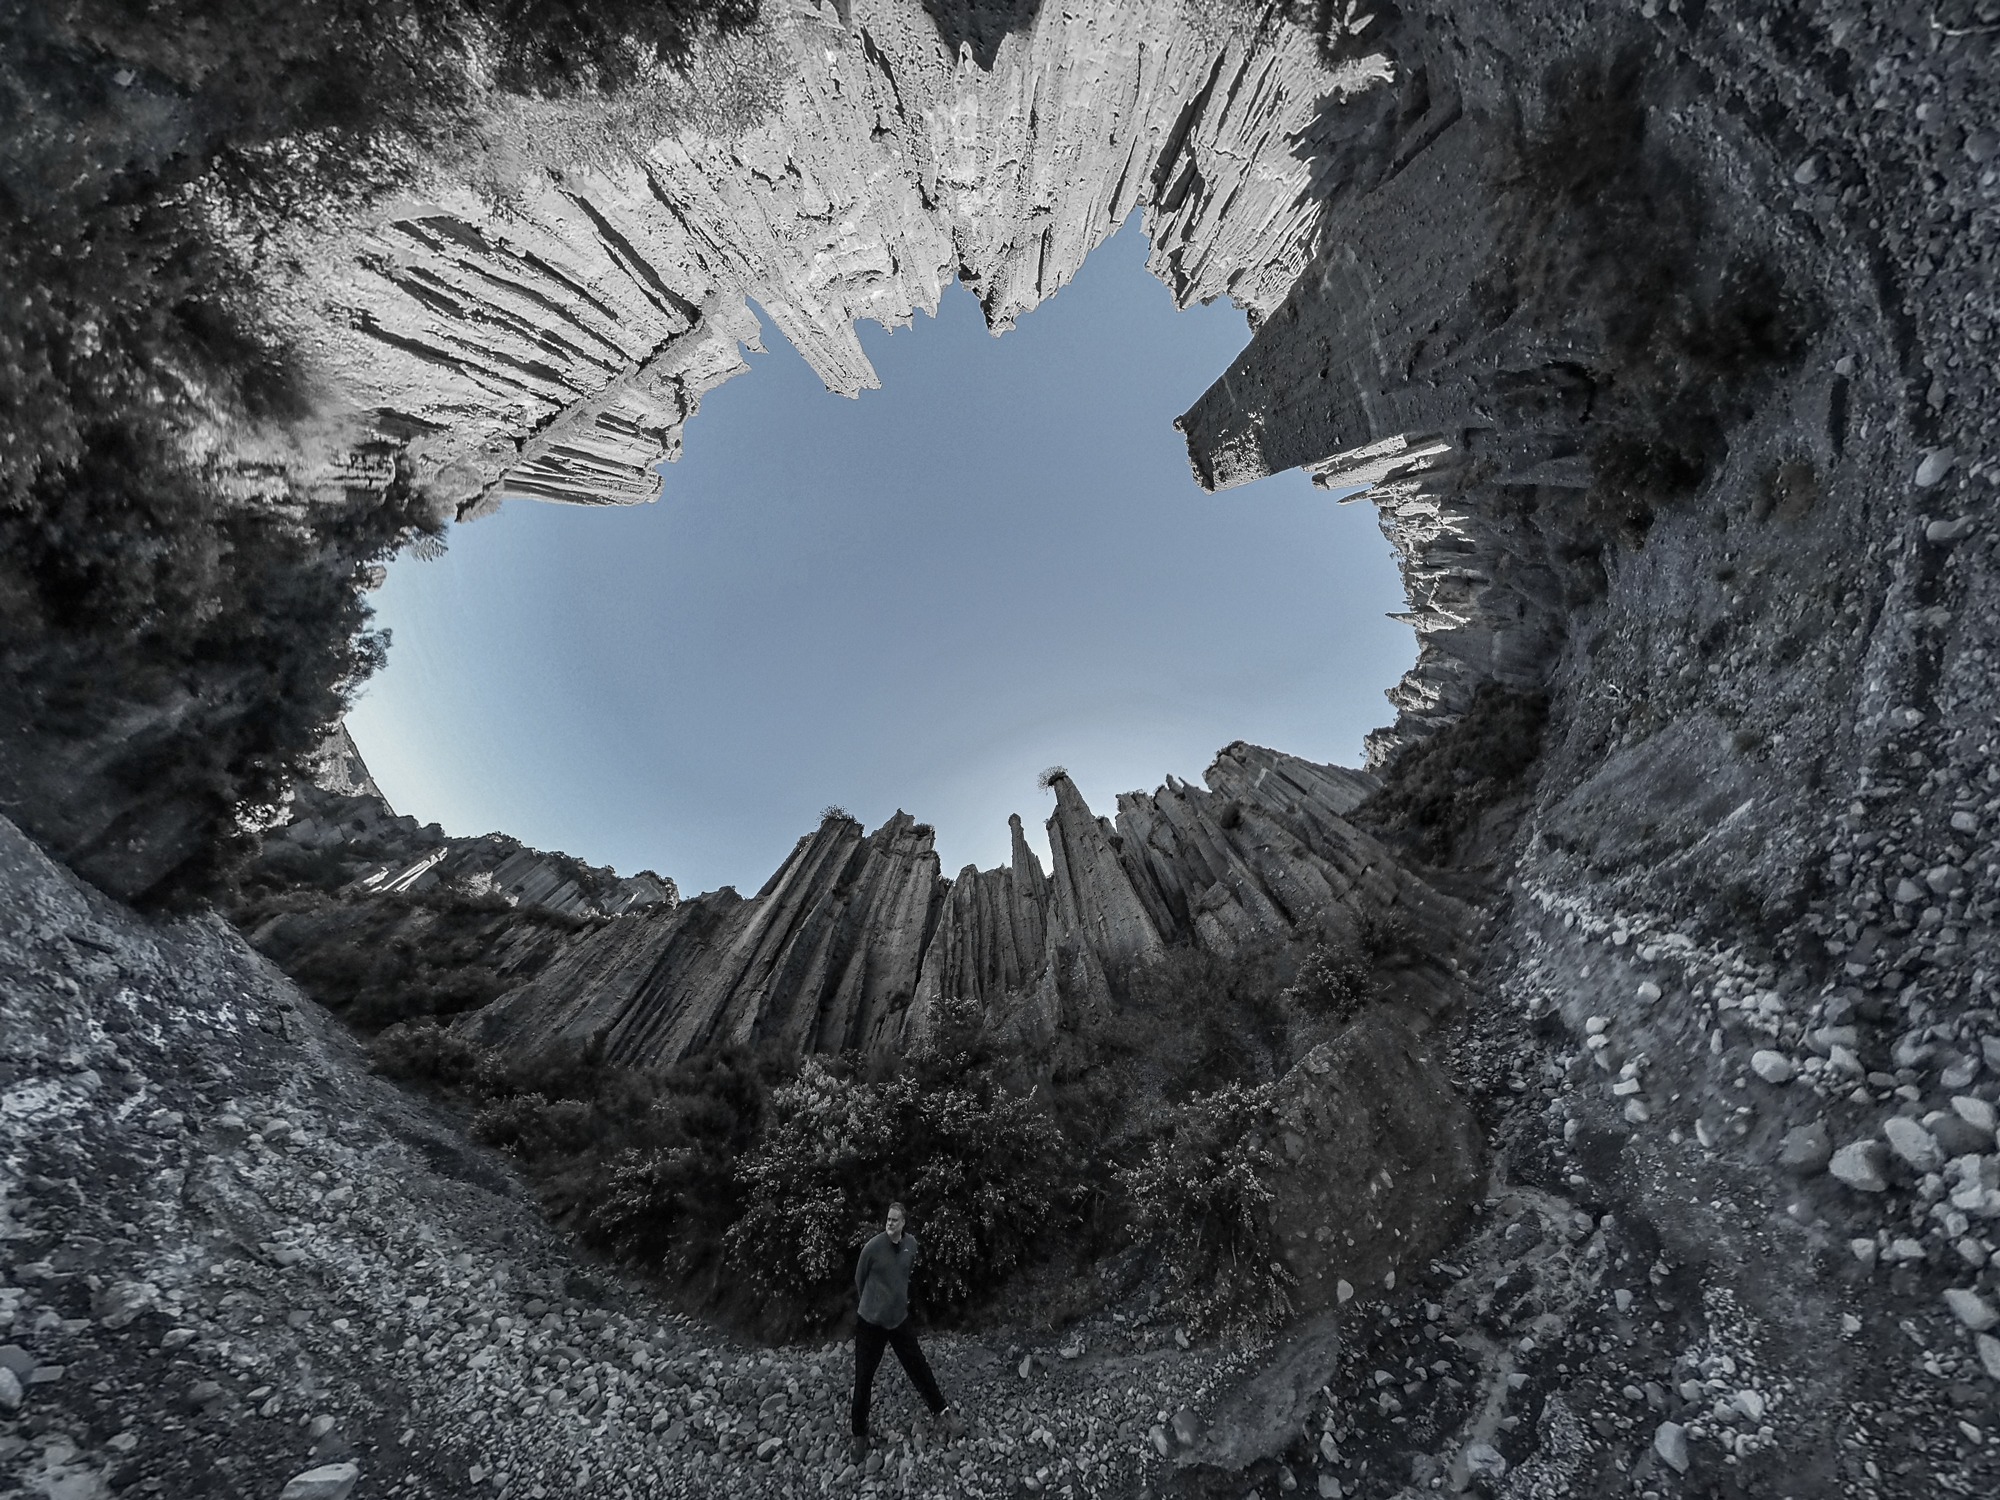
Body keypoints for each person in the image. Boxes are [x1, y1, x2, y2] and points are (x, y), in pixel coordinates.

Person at [850, 1200, 962, 1458]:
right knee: (863, 1378)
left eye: (895, 1220)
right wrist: (873, 1304)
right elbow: (860, 1278)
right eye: (888, 1219)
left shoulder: (911, 1245)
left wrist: (897, 1301)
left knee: (919, 1367)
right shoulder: (873, 1247)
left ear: (904, 1223)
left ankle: (942, 1412)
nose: (890, 1224)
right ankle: (859, 1434)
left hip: (898, 1320)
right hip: (871, 1323)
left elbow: (905, 1275)